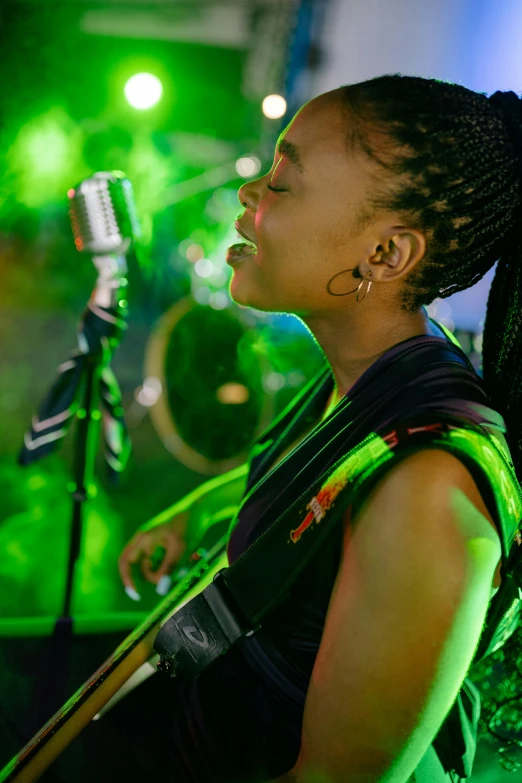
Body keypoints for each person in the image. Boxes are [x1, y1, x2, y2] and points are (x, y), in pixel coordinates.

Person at [62, 76, 522, 783]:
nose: (249, 194)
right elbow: (326, 485)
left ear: (386, 255)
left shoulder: (429, 496)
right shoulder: (371, 376)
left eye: (283, 182)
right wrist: (204, 510)